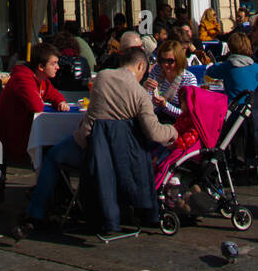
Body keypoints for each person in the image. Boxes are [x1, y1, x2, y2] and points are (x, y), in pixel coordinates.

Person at [24, 46, 177, 225]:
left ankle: (37, 211)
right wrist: (173, 130)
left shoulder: (102, 77)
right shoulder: (140, 94)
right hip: (122, 157)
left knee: (52, 156)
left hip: (88, 148)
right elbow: (154, 132)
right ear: (141, 66)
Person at [0, 44, 69, 165]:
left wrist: (60, 101)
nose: (58, 67)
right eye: (53, 63)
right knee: (56, 150)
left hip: (26, 134)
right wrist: (47, 100)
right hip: (13, 138)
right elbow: (36, 106)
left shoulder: (41, 79)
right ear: (41, 67)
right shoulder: (23, 78)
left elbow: (54, 94)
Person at [146, 40, 196, 120]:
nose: (165, 64)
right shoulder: (157, 70)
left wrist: (165, 106)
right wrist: (146, 89)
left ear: (179, 60)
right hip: (155, 117)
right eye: (163, 60)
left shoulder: (188, 79)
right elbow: (148, 100)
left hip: (177, 123)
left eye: (170, 61)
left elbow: (188, 114)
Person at [205, 32, 258, 98]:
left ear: (230, 47)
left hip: (234, 105)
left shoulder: (228, 66)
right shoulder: (257, 67)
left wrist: (219, 64)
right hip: (253, 105)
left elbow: (209, 72)